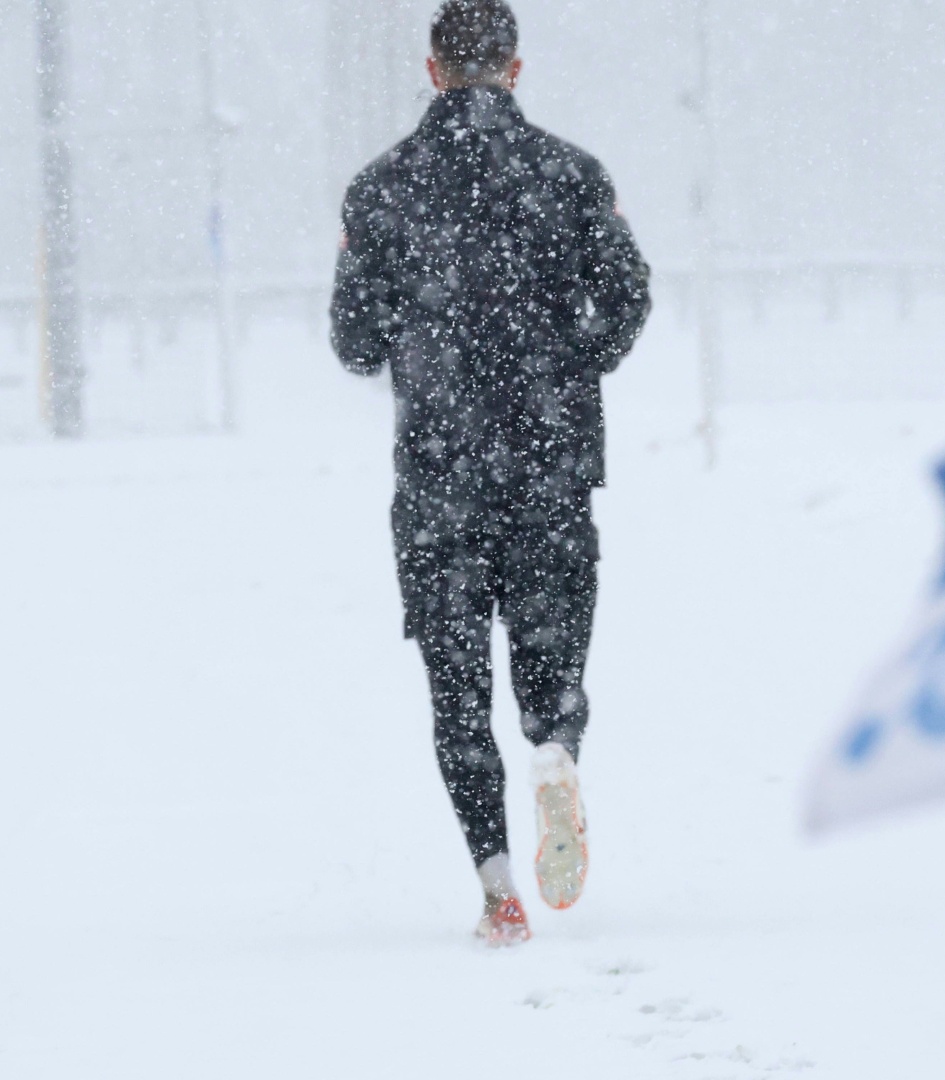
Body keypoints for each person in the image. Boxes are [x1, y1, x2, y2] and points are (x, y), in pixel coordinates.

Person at [329, 0, 651, 947]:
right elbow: (627, 297)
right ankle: (553, 751)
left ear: (433, 70)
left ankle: (498, 889)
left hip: (439, 479)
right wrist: (567, 363)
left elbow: (354, 344)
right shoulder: (572, 174)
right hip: (550, 466)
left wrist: (416, 328)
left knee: (457, 690)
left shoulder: (380, 189)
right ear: (514, 68)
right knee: (551, 661)